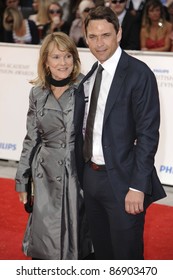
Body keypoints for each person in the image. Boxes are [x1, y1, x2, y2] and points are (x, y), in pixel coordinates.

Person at [74, 6, 166, 260]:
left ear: (119, 33)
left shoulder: (139, 73)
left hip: (124, 183)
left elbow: (148, 133)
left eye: (105, 35)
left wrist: (138, 185)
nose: (99, 43)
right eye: (92, 36)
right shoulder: (91, 75)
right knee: (102, 253)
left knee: (126, 257)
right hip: (91, 179)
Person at [15, 32, 92, 260]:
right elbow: (31, 138)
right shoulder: (37, 93)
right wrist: (22, 179)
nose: (63, 63)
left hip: (75, 174)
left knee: (76, 240)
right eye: (56, 57)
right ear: (46, 62)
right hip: (44, 173)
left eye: (68, 56)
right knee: (45, 241)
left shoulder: (85, 88)